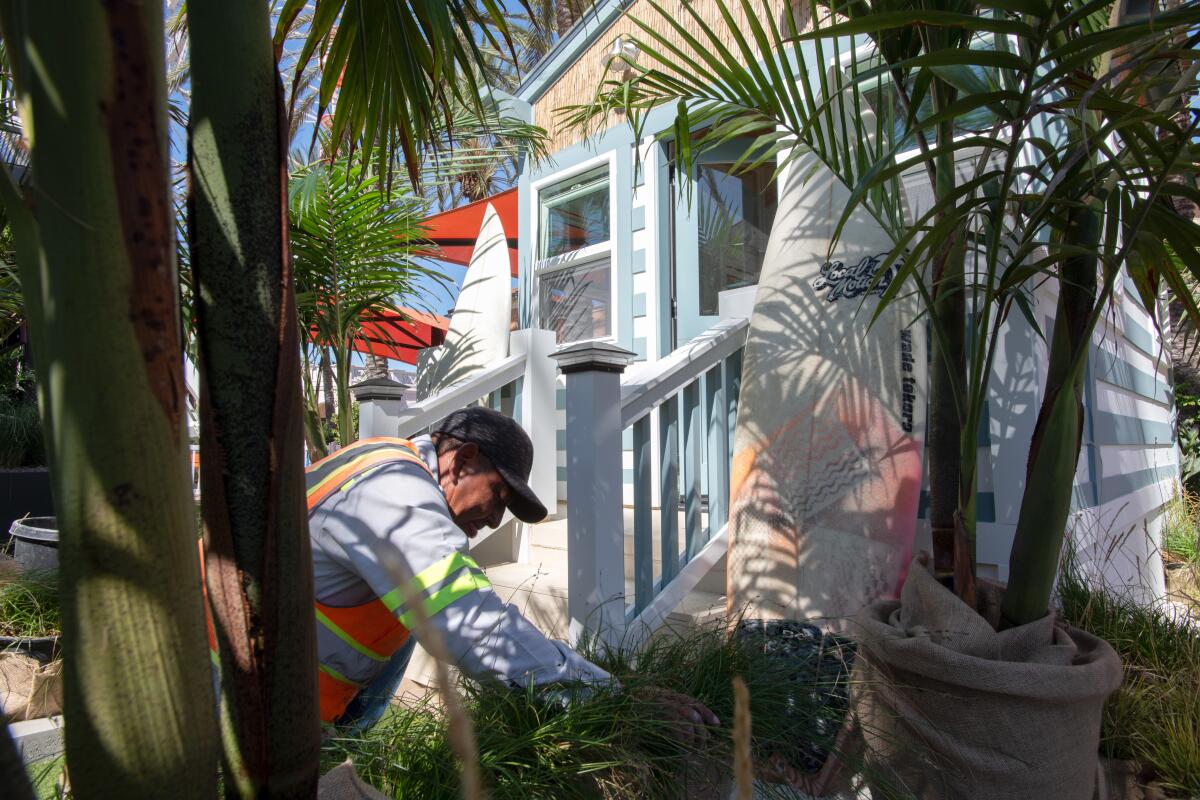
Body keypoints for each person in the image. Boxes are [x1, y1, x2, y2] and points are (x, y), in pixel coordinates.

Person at [308, 406, 717, 738]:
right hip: (271, 723)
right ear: (463, 461)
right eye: (499, 497)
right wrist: (612, 698)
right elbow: (472, 627)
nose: (495, 520)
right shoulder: (398, 497)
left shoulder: (388, 462)